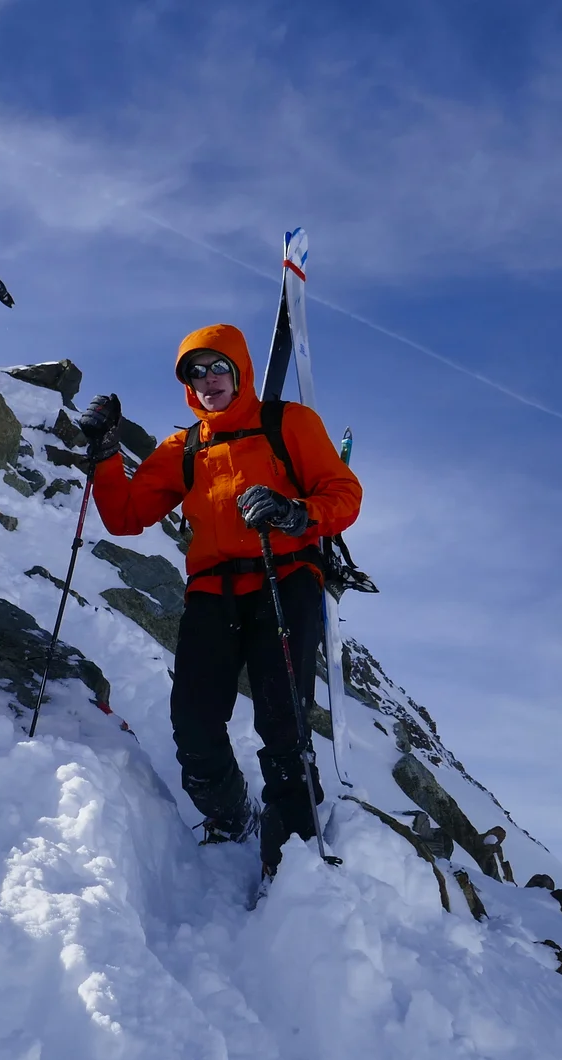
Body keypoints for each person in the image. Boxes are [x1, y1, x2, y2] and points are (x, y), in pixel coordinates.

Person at [78, 324, 362, 878]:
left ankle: (292, 863)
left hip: (286, 580)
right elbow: (125, 516)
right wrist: (107, 452)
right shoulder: (183, 448)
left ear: (239, 371)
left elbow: (344, 493)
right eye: (195, 373)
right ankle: (233, 817)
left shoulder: (290, 424)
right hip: (212, 592)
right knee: (193, 723)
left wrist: (295, 512)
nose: (207, 381)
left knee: (283, 724)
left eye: (217, 368)